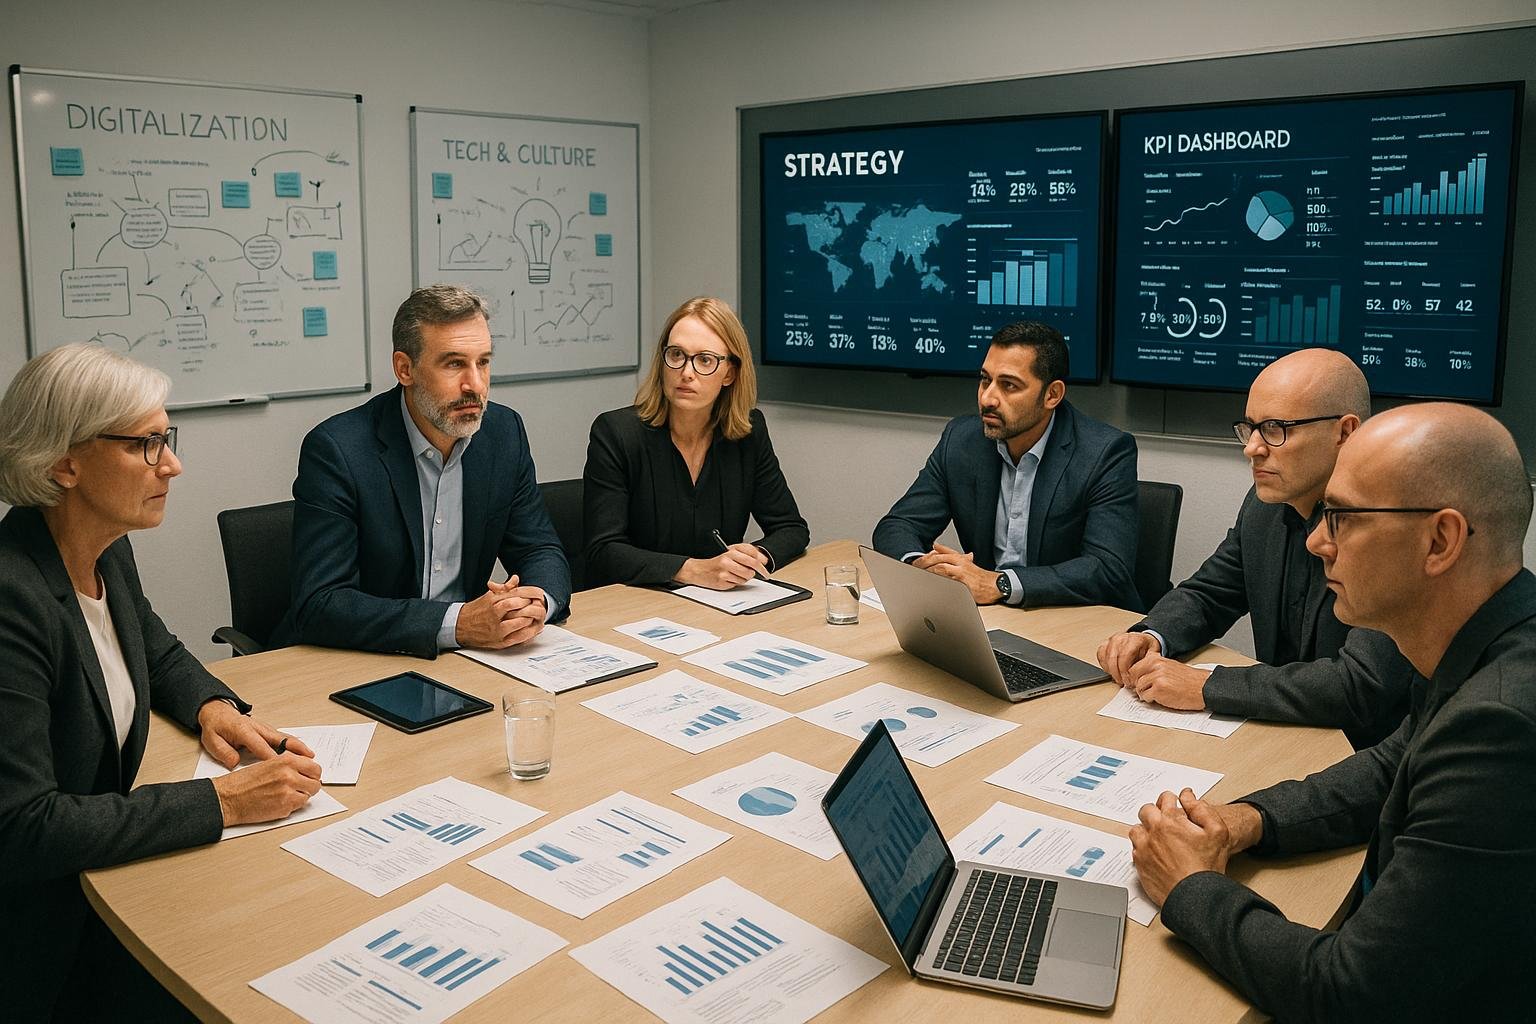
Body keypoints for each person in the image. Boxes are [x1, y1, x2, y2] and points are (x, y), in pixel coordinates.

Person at [1129, 403, 1536, 1021]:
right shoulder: (1483, 645)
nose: (1318, 541)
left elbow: (1349, 993)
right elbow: (1386, 770)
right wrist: (1246, 821)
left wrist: (1190, 889)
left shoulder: (1500, 729)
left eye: (1341, 519)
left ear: (1440, 540)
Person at [0, 345, 322, 1023]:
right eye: (146, 445)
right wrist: (223, 803)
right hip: (44, 944)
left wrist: (212, 706)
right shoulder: (12, 598)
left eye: (165, 439)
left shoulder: (104, 546)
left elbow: (156, 650)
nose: (171, 464)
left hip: (111, 882)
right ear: (64, 463)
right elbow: (23, 827)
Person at [1096, 348, 1414, 749]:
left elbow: (1361, 685)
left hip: (1369, 758)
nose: (1253, 448)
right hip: (1281, 736)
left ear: (1345, 432)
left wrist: (1208, 685)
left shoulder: (1393, 526)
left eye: (1276, 428)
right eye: (1250, 429)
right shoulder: (1265, 504)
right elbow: (1210, 593)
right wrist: (1152, 635)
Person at [274, 285, 571, 658]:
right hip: (362, 659)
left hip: (466, 659)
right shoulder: (339, 450)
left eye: (483, 362)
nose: (475, 386)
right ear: (405, 368)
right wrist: (457, 624)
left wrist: (536, 602)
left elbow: (540, 549)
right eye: (454, 364)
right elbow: (321, 603)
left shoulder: (503, 434)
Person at [872, 320, 1140, 609]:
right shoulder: (962, 440)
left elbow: (1107, 569)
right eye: (985, 379)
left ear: (1052, 395)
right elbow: (897, 525)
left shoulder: (1105, 452)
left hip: (1071, 618)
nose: (988, 398)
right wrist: (921, 566)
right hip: (993, 618)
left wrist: (1000, 583)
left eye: (1009, 385)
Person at [583, 296, 808, 588]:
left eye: (705, 360)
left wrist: (757, 555)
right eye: (676, 355)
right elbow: (603, 550)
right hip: (637, 602)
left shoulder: (748, 433)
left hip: (718, 602)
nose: (686, 372)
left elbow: (791, 528)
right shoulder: (616, 433)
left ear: (730, 373)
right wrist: (693, 571)